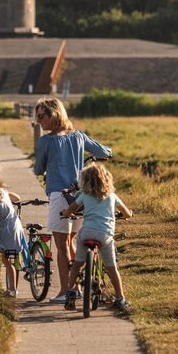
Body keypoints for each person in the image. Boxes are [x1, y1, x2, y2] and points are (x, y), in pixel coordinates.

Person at [33, 96, 112, 303]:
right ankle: (78, 285)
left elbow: (38, 169)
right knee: (72, 242)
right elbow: (105, 151)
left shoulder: (46, 141)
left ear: (54, 115)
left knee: (61, 247)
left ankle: (66, 292)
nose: (39, 120)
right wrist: (97, 157)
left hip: (59, 195)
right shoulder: (78, 136)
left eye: (42, 116)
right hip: (79, 196)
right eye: (37, 116)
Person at [62, 162, 133, 312]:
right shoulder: (112, 196)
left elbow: (71, 210)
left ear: (85, 180)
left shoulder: (84, 195)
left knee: (77, 264)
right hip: (105, 235)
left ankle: (70, 292)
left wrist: (66, 213)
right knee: (112, 268)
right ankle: (120, 298)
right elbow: (126, 213)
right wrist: (128, 214)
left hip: (86, 232)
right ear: (106, 179)